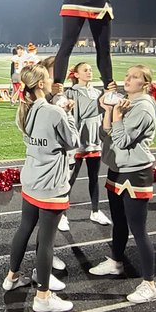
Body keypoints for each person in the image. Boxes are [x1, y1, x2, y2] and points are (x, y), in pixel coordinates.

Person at [3, 64, 76, 312]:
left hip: (31, 180)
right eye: (48, 77)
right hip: (51, 185)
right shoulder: (54, 112)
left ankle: (12, 277)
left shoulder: (25, 109)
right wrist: (69, 114)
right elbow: (72, 142)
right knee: (46, 242)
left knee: (24, 229)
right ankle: (43, 297)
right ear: (42, 85)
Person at [87, 65, 156, 302]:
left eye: (134, 77)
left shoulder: (144, 108)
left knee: (138, 230)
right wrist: (109, 110)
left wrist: (117, 116)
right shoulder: (125, 103)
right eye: (127, 76)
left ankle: (150, 283)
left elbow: (122, 140)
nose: (127, 80)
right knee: (118, 223)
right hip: (117, 169)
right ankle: (116, 261)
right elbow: (104, 133)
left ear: (145, 84)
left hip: (135, 172)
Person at [58, 61, 111, 230]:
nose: (89, 72)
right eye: (85, 70)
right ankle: (62, 215)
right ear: (76, 74)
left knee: (94, 178)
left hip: (94, 143)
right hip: (78, 143)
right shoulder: (70, 93)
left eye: (90, 70)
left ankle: (95, 211)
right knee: (70, 180)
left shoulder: (97, 92)